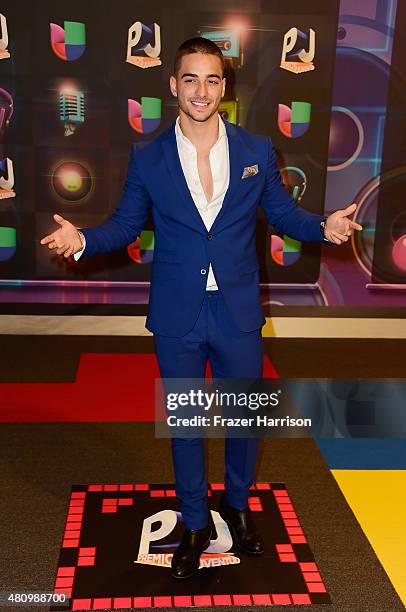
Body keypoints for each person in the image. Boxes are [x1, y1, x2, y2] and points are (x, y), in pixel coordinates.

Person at [40, 37, 362, 580]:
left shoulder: (257, 150)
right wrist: (84, 241)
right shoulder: (150, 156)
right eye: (190, 79)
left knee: (244, 420)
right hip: (177, 312)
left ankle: (236, 509)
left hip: (236, 310)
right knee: (186, 423)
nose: (202, 90)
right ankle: (194, 520)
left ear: (224, 88)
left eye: (212, 80)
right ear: (173, 85)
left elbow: (285, 216)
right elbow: (125, 226)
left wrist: (325, 226)